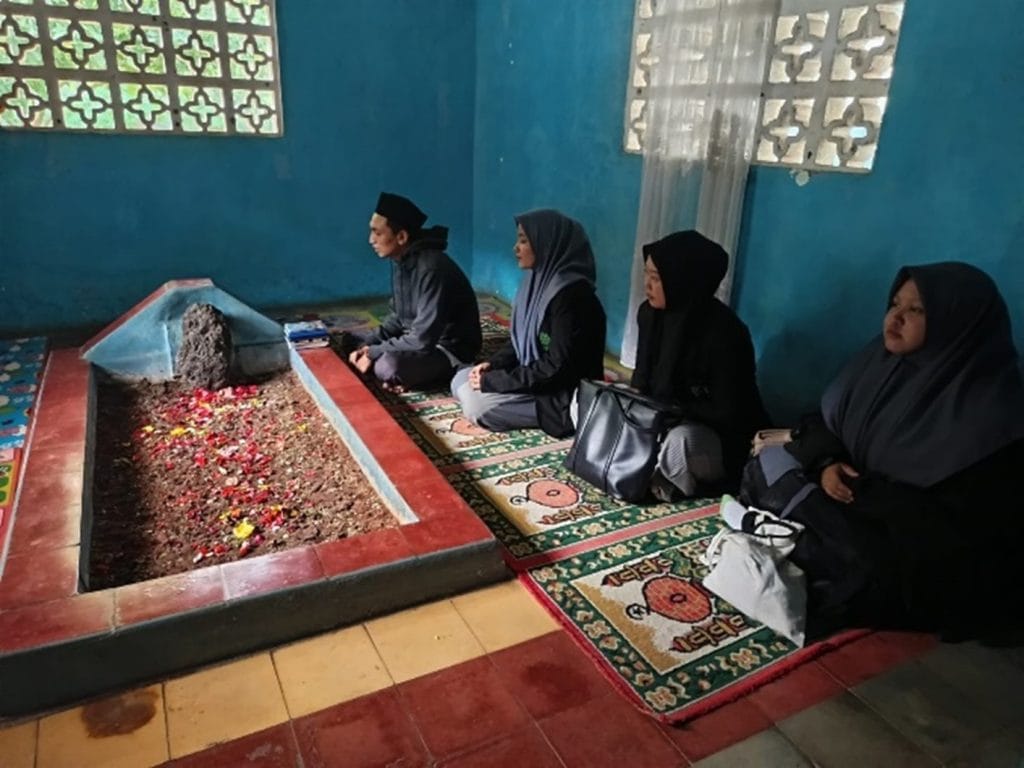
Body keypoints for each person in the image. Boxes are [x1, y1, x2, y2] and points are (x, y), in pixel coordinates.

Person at [736, 261, 1024, 641]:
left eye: (916, 310)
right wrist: (828, 463)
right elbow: (822, 422)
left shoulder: (991, 411)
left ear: (958, 323)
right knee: (771, 458)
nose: (896, 317)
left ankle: (787, 534)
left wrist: (861, 491)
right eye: (895, 304)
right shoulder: (880, 362)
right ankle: (794, 536)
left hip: (893, 534)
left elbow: (957, 533)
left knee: (862, 561)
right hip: (843, 497)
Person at [632, 231, 770, 501]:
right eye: (646, 274)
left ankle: (669, 482)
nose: (647, 284)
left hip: (715, 435)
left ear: (682, 279)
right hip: (663, 416)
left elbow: (730, 412)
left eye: (656, 278)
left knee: (680, 442)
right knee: (595, 405)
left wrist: (674, 409)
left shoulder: (725, 333)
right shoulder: (649, 315)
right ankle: (647, 468)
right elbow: (642, 378)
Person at [451, 209, 606, 438]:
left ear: (547, 244)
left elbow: (556, 368)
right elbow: (520, 340)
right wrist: (492, 365)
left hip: (560, 394)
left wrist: (498, 382)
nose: (516, 248)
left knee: (478, 407)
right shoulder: (535, 283)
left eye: (523, 241)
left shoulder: (572, 299)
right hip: (534, 377)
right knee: (461, 378)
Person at [346, 193, 482, 390]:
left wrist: (373, 352)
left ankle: (451, 368)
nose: (370, 240)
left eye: (377, 233)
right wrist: (369, 345)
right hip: (418, 339)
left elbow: (422, 339)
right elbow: (400, 318)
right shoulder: (402, 261)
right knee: (353, 341)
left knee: (387, 366)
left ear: (401, 237)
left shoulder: (431, 269)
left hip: (447, 347)